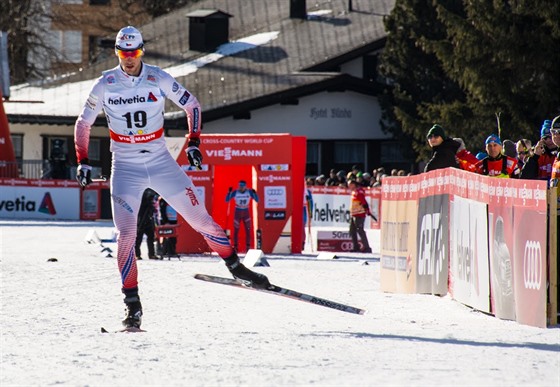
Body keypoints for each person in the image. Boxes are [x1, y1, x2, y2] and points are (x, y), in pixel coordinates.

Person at [73, 26, 269, 330]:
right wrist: (82, 160)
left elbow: (192, 104)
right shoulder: (105, 84)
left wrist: (193, 142)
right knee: (126, 238)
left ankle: (237, 268)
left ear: (141, 51)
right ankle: (132, 306)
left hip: (160, 162)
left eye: (134, 52)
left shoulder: (157, 77)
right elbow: (83, 124)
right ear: (116, 52)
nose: (128, 59)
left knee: (201, 220)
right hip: (125, 167)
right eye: (123, 53)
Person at [225, 180, 259, 253]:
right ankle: (235, 246)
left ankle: (248, 247)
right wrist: (229, 192)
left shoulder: (249, 192)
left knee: (248, 230)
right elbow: (227, 200)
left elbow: (257, 200)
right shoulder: (235, 192)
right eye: (239, 186)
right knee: (236, 230)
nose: (241, 188)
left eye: (242, 186)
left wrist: (255, 193)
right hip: (238, 211)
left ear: (245, 186)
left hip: (246, 211)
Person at [347, 179, 372, 253]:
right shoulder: (354, 192)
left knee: (360, 230)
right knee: (352, 231)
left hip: (359, 214)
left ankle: (367, 248)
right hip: (353, 214)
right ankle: (356, 247)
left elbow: (363, 202)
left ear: (354, 184)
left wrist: (367, 210)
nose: (349, 187)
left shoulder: (359, 192)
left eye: (350, 185)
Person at [134, 188, 158, 260]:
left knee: (151, 238)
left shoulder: (149, 202)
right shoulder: (140, 202)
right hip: (140, 222)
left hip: (148, 222)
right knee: (138, 239)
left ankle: (151, 254)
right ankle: (137, 255)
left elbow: (152, 211)